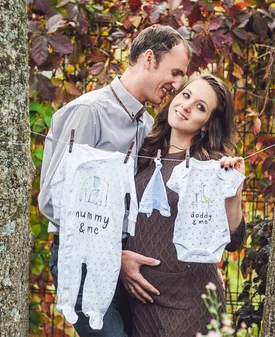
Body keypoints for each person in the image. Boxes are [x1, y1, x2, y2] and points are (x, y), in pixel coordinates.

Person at [38, 24, 191, 337]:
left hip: (127, 262)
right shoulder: (88, 113)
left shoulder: (147, 124)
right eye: (174, 72)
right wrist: (110, 254)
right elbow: (56, 202)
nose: (176, 84)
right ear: (149, 59)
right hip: (83, 262)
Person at [120, 74, 247, 337]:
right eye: (186, 95)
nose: (187, 106)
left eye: (201, 107)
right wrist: (118, 257)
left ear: (207, 125)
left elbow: (234, 241)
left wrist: (234, 195)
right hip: (138, 302)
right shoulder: (141, 151)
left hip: (188, 305)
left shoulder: (210, 167)